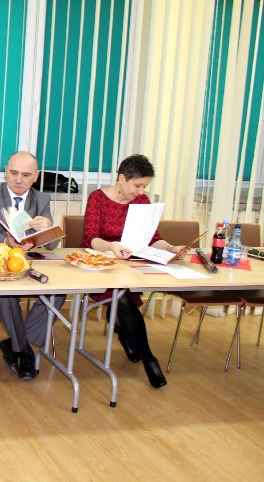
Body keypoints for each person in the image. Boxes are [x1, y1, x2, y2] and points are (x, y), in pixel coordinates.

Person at [82, 154, 187, 389]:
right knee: (123, 299)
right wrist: (112, 246)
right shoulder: (98, 198)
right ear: (122, 178)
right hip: (101, 263)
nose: (140, 192)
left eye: (144, 186)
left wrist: (171, 249)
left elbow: (153, 238)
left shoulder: (142, 201)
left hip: (130, 264)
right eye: (137, 185)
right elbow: (90, 239)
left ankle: (123, 331)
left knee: (124, 298)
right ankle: (150, 359)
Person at [0, 151, 64, 380]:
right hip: (2, 262)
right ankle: (23, 350)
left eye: (26, 175)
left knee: (58, 290)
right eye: (14, 173)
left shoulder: (42, 199)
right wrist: (8, 242)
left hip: (32, 261)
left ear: (35, 176)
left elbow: (52, 244)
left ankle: (17, 341)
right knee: (6, 294)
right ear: (6, 171)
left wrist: (48, 226)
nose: (18, 180)